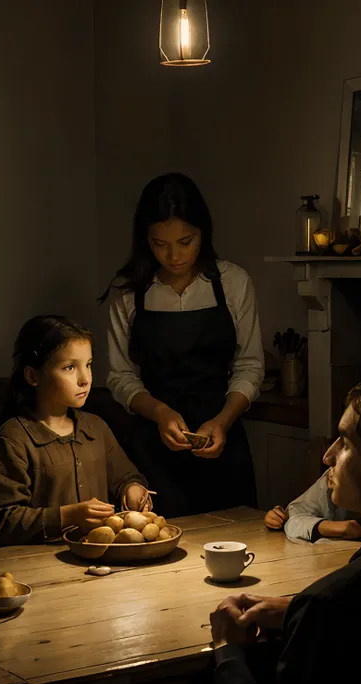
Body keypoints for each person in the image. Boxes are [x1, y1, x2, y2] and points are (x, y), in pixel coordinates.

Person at [209, 381, 361, 684]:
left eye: (344, 442)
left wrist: (226, 652)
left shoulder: (329, 603)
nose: (327, 455)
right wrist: (293, 609)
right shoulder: (326, 604)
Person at [101, 173, 264, 518]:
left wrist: (221, 421)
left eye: (185, 241)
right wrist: (159, 412)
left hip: (223, 443)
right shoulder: (129, 294)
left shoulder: (233, 283)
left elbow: (249, 366)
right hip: (152, 449)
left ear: (203, 233)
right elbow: (120, 377)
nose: (174, 256)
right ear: (145, 240)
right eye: (160, 244)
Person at [0, 315, 151, 546]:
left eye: (89, 365)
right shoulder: (14, 439)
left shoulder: (96, 428)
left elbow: (125, 477)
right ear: (33, 375)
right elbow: (0, 520)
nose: (85, 379)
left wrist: (132, 490)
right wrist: (66, 516)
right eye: (70, 367)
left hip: (100, 558)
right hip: (38, 565)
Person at [264, 470, 361, 543]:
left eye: (346, 446)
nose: (327, 458)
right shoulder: (331, 480)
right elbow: (293, 515)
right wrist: (342, 527)